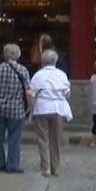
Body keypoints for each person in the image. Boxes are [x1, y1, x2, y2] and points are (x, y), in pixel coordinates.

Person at [0, 43, 31, 174]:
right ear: (18, 55)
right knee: (14, 137)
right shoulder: (23, 70)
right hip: (16, 108)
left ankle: (0, 163)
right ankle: (12, 165)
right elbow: (28, 92)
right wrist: (28, 107)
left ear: (4, 54)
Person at [29, 49, 72, 178]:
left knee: (43, 139)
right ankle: (56, 167)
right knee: (56, 139)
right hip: (58, 108)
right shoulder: (62, 75)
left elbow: (32, 93)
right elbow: (67, 93)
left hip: (42, 108)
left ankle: (46, 167)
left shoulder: (37, 75)